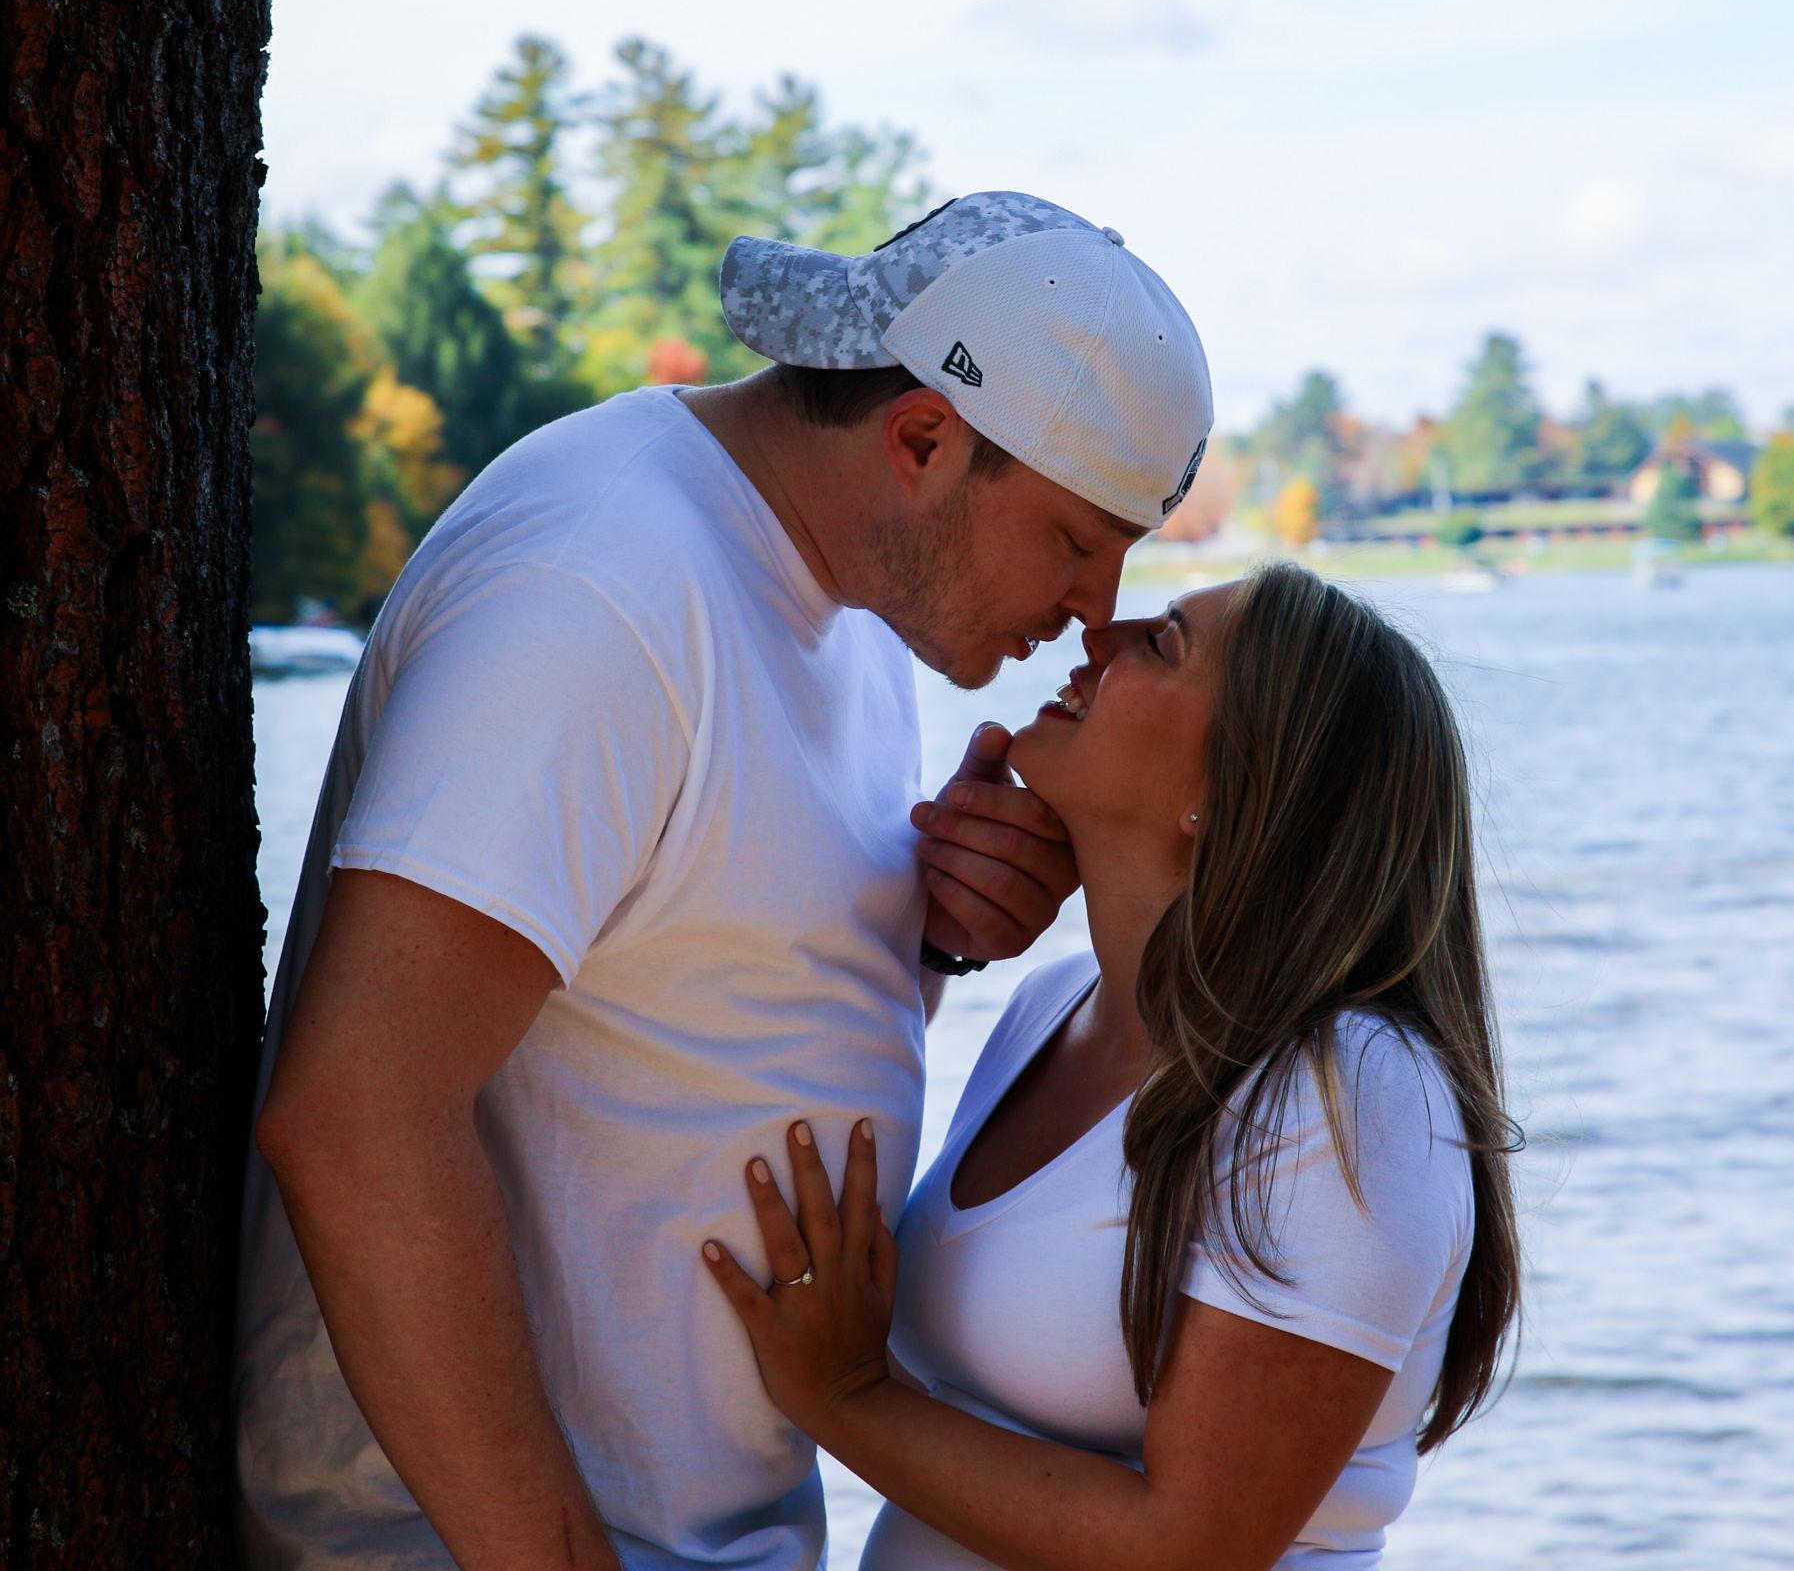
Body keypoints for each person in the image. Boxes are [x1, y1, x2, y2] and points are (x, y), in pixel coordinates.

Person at [234, 191, 1212, 1571]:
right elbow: (356, 1119)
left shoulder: (845, 599)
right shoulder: (598, 586)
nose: (1096, 612)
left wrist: (929, 941)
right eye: (1075, 540)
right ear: (922, 440)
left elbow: (707, 1025)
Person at [705, 562, 1521, 1571]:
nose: (1098, 633)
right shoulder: (1052, 1006)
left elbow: (1190, 1546)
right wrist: (934, 936)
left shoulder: (1348, 1088)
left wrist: (844, 1397)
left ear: (1225, 792)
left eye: (1163, 643)